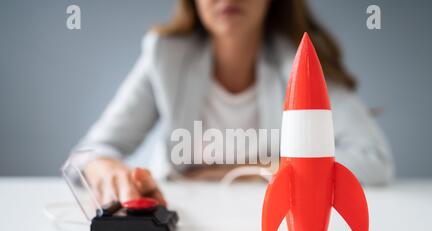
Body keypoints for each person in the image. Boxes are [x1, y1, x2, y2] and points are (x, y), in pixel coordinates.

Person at [69, 0, 394, 206]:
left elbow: (374, 159)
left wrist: (246, 174)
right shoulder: (164, 55)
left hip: (271, 222)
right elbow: (84, 156)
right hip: (187, 223)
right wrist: (105, 168)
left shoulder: (302, 60)